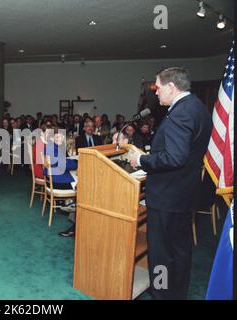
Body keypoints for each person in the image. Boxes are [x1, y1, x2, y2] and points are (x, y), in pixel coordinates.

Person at [129, 67, 212, 300]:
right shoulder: (198, 108)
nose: (155, 93)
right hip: (184, 192)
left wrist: (141, 159)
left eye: (157, 87)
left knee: (161, 254)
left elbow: (175, 157)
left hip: (167, 195)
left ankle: (162, 294)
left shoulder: (180, 113)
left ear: (171, 87)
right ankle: (176, 293)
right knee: (180, 249)